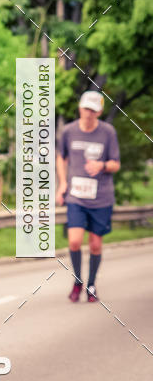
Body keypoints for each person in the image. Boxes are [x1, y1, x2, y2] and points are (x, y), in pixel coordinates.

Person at [56, 91, 120, 303]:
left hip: (101, 197)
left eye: (93, 109)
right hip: (76, 197)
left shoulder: (108, 132)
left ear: (99, 111)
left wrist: (101, 165)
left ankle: (91, 284)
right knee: (74, 241)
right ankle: (77, 280)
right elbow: (60, 158)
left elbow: (115, 164)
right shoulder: (69, 131)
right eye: (86, 108)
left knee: (94, 245)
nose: (89, 113)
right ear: (80, 108)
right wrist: (63, 183)